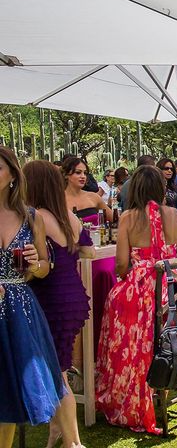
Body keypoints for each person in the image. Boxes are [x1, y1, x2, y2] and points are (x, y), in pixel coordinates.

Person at [95, 166, 177, 434]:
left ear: (134, 188)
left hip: (139, 300)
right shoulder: (174, 215)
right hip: (171, 299)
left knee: (115, 303)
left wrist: (140, 267)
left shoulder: (127, 218)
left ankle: (130, 393)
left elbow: (121, 266)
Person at [24, 160, 95, 448]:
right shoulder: (70, 216)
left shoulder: (36, 217)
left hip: (52, 300)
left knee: (58, 372)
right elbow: (89, 251)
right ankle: (57, 430)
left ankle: (74, 443)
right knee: (58, 366)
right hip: (74, 298)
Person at [0, 147, 64, 447]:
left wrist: (35, 261)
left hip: (20, 312)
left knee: (10, 397)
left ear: (13, 175)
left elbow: (42, 270)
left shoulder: (31, 217)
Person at [62, 157, 115, 350]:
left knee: (106, 272)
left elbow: (114, 218)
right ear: (67, 174)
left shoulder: (93, 197)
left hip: (100, 252)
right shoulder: (59, 199)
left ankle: (106, 337)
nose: (83, 176)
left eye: (85, 172)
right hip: (75, 254)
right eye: (78, 172)